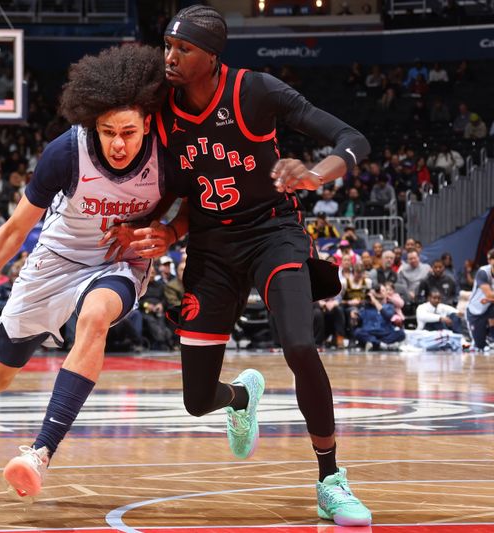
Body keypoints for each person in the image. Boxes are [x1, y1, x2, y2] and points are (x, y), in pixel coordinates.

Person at [0, 44, 173, 501]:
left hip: (116, 262)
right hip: (56, 260)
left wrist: (159, 231)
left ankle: (39, 453)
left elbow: (189, 209)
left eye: (128, 131)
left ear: (147, 120)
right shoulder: (66, 153)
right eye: (107, 132)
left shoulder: (169, 154)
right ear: (91, 126)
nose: (119, 144)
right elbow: (12, 232)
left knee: (95, 317)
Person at [135, 6, 372, 526]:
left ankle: (330, 480)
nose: (170, 57)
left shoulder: (255, 90)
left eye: (183, 49)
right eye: (168, 46)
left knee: (300, 345)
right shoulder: (162, 108)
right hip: (211, 245)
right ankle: (243, 395)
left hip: (271, 231)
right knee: (197, 401)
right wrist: (169, 231)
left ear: (212, 57)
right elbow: (182, 193)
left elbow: (353, 139)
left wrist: (314, 173)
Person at [466, 249, 494, 352]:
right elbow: (489, 295)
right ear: (489, 260)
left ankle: (492, 335)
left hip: (489, 306)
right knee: (480, 346)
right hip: (476, 311)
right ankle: (481, 342)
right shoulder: (483, 272)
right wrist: (489, 299)